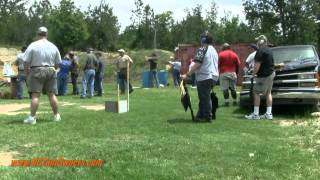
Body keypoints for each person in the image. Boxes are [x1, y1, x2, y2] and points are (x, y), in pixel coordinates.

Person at [22, 26, 62, 124]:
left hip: (37, 69)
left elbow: (26, 61)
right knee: (52, 95)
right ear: (47, 34)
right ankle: (56, 116)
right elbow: (58, 63)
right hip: (51, 69)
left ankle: (32, 118)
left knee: (35, 95)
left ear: (37, 34)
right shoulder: (53, 46)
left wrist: (27, 72)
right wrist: (55, 70)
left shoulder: (33, 45)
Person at [181, 35, 219, 122]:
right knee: (204, 97)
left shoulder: (202, 49)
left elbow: (197, 63)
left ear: (203, 41)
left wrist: (187, 74)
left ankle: (207, 117)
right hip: (213, 76)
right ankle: (201, 115)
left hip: (205, 76)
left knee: (205, 97)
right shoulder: (214, 51)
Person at [245, 35, 275, 120]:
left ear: (260, 42)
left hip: (263, 76)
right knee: (268, 93)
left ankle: (255, 114)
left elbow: (257, 66)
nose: (256, 43)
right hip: (271, 74)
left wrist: (253, 74)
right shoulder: (269, 50)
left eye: (257, 41)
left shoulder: (260, 51)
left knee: (256, 92)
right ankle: (269, 114)